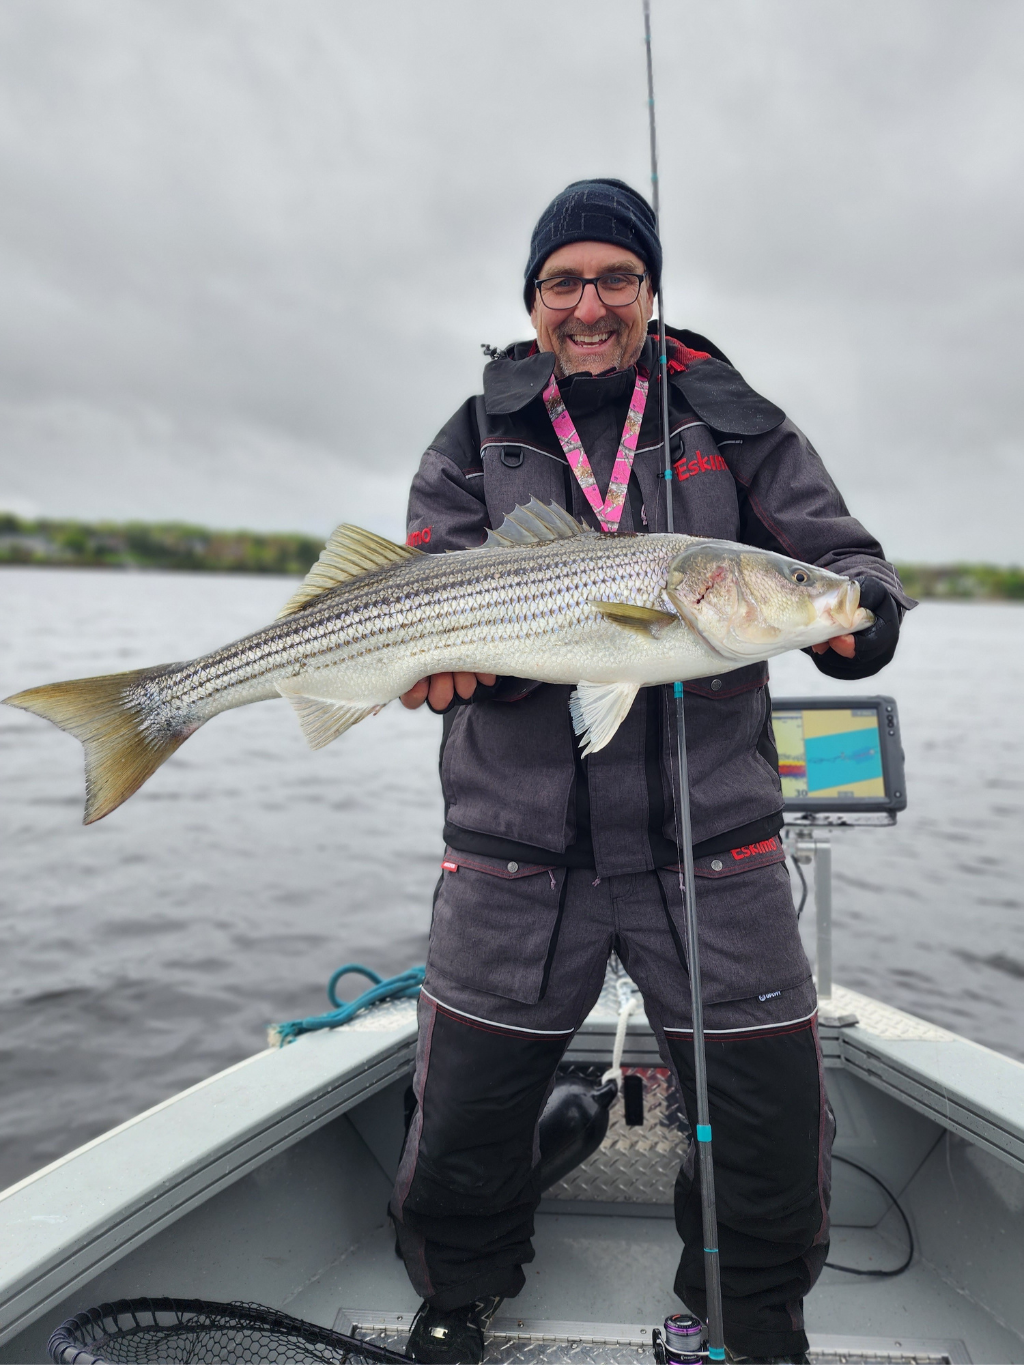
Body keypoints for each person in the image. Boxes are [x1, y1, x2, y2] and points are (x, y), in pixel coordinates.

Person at [390, 179, 911, 1364]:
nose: (589, 304)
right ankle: (459, 1295)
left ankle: (742, 1324)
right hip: (515, 851)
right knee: (464, 1113)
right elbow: (431, 569)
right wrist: (466, 665)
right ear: (531, 304)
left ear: (650, 292)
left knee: (770, 1125)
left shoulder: (731, 418)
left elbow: (844, 560)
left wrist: (856, 611)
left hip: (709, 846)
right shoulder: (476, 434)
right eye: (563, 282)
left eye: (615, 279)